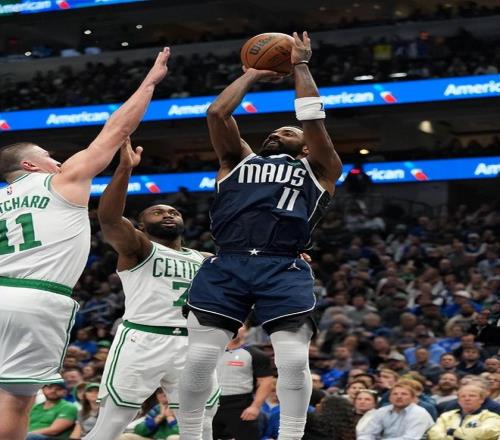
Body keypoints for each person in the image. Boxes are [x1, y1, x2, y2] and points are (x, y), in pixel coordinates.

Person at [178, 32, 342, 440]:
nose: (276, 133)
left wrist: (300, 66)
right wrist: (252, 74)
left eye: (287, 131)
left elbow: (312, 119)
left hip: (282, 263)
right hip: (227, 261)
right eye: (274, 131)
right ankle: (189, 436)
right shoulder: (237, 159)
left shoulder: (320, 169)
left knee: (292, 361)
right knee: (199, 360)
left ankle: (291, 436)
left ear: (306, 148)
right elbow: (217, 113)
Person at [0, 47, 170, 440]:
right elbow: (116, 129)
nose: (58, 161)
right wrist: (150, 81)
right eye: (48, 156)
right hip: (35, 300)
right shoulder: (62, 179)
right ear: (29, 165)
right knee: (16, 401)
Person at [84, 141, 217, 440]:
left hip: (193, 344)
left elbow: (247, 267)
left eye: (173, 212)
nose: (168, 214)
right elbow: (109, 219)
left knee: (202, 426)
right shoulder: (139, 248)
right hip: (144, 338)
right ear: (141, 227)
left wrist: (289, 256)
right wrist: (124, 169)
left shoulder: (206, 258)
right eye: (158, 212)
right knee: (111, 425)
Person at [212, 325, 274, 440]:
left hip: (241, 407)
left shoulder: (256, 354)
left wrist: (255, 407)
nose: (235, 328)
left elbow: (266, 381)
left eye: (239, 325)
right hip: (211, 404)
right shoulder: (210, 352)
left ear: (245, 331)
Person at [357, 383, 434, 439]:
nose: (399, 396)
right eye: (395, 394)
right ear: (389, 397)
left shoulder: (419, 413)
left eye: (404, 394)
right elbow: (368, 433)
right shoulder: (382, 411)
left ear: (413, 398)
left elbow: (410, 438)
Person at [427, 384, 500, 439]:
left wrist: (453, 431)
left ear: (481, 400)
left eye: (472, 396)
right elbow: (434, 434)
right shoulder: (446, 416)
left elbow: (484, 433)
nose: (467, 399)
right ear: (458, 400)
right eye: (463, 396)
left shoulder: (492, 417)